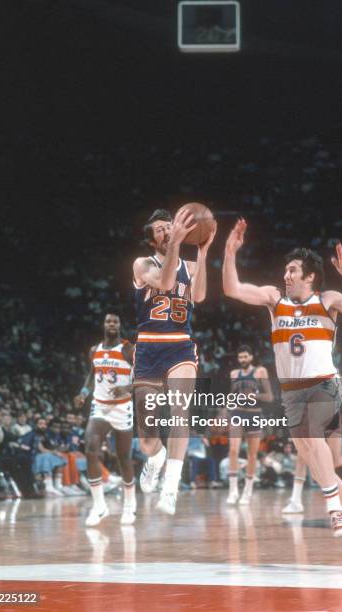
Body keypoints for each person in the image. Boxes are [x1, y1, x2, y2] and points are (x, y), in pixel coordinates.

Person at [223, 218, 342, 562]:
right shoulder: (274, 300)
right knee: (317, 459)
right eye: (286, 270)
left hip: (325, 383)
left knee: (313, 441)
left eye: (293, 270)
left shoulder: (328, 300)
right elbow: (233, 288)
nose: (286, 275)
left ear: (309, 276)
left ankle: (335, 508)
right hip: (291, 392)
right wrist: (230, 252)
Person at [133, 208, 216, 515]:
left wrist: (203, 252)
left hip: (180, 345)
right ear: (151, 239)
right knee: (147, 441)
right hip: (148, 350)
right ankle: (155, 460)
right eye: (159, 229)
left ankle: (170, 488)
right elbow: (167, 283)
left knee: (181, 410)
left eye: (170, 226)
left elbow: (202, 296)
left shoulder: (190, 264)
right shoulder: (142, 264)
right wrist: (178, 245)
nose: (167, 232)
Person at [74, 312, 135, 526]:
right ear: (103, 325)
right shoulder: (94, 350)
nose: (111, 324)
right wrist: (83, 392)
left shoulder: (128, 349)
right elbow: (92, 374)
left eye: (115, 321)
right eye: (108, 321)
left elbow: (145, 376)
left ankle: (129, 505)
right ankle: (99, 506)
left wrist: (127, 387)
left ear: (119, 325)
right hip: (99, 406)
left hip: (122, 407)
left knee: (123, 458)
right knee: (90, 450)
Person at [226, 345, 273, 505]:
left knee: (251, 455)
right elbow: (231, 396)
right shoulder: (234, 374)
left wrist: (255, 395)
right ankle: (233, 491)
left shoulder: (260, 372)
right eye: (240, 357)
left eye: (245, 357)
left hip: (254, 414)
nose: (243, 360)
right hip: (238, 413)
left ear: (251, 357)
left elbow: (270, 397)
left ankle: (247, 491)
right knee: (233, 450)